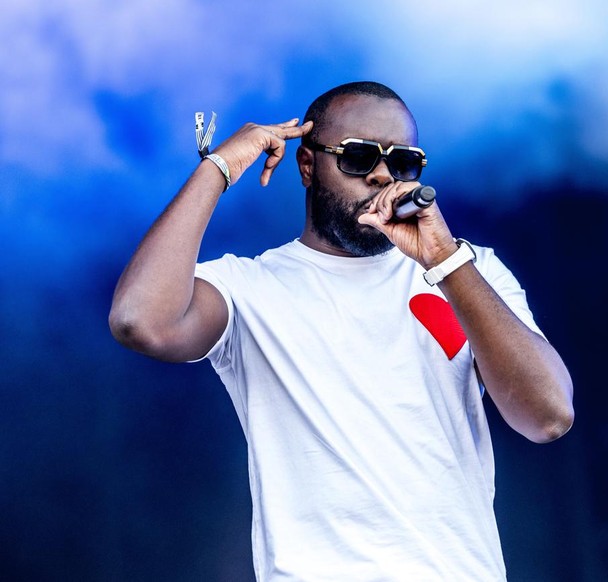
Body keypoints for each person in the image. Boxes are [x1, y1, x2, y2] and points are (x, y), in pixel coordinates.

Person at [109, 81, 573, 581]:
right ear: (307, 165)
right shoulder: (249, 287)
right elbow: (141, 322)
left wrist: (444, 260)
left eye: (403, 162)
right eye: (357, 157)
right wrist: (217, 168)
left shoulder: (469, 270)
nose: (381, 175)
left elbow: (547, 416)